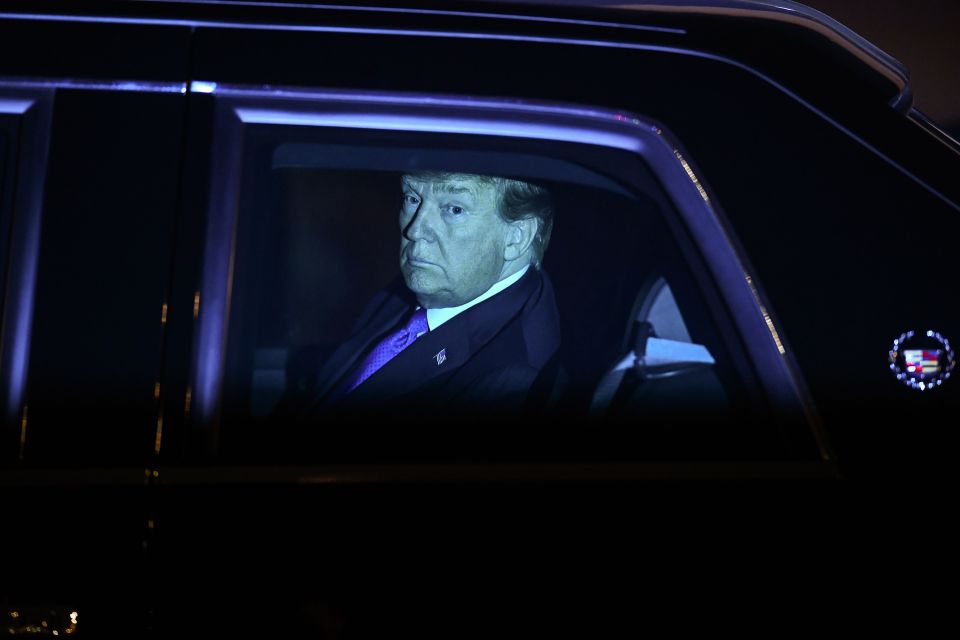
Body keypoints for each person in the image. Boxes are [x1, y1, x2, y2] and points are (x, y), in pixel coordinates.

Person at [301, 171, 561, 418]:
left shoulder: (514, 381)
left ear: (517, 237)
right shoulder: (427, 286)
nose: (414, 230)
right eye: (412, 198)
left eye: (454, 209)